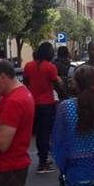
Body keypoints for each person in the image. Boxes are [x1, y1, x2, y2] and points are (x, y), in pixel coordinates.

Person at [22, 42, 64, 174]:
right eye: (52, 51)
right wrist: (65, 97)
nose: (53, 53)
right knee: (46, 133)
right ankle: (43, 163)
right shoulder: (50, 67)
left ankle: (42, 158)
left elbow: (26, 83)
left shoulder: (28, 66)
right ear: (48, 53)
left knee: (39, 133)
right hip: (47, 104)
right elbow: (56, 85)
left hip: (33, 104)